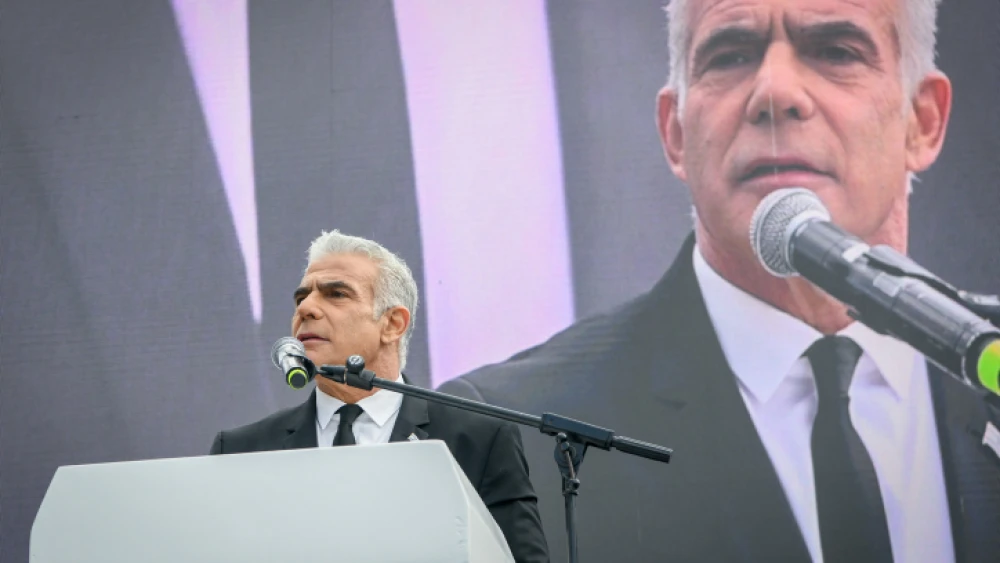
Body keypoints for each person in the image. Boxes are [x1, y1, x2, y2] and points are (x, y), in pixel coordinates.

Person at [439, 1, 1000, 561]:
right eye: (730, 56)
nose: (775, 92)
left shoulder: (985, 378)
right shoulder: (508, 434)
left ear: (923, 120)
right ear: (675, 130)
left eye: (835, 51)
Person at [211, 230, 549, 563]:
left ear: (392, 324)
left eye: (336, 294)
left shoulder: (478, 440)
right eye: (302, 298)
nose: (307, 309)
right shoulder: (243, 450)